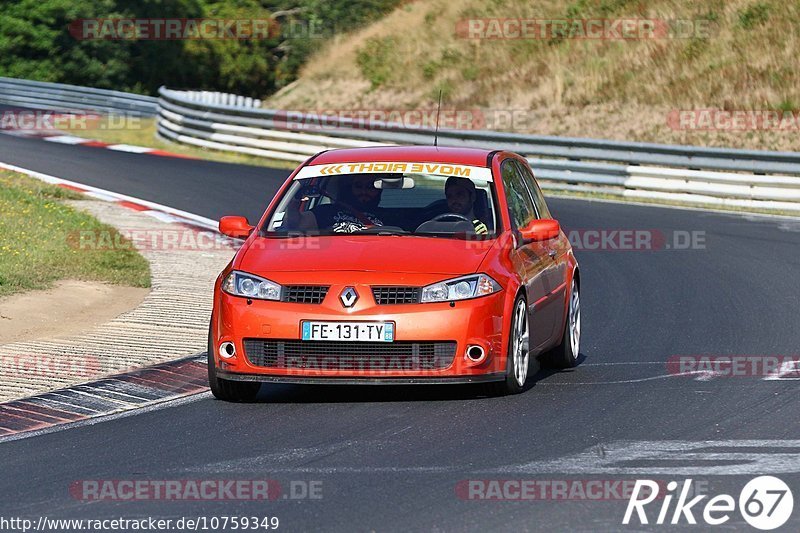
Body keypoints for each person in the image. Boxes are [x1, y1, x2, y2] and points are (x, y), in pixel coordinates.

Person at [306, 175, 386, 233]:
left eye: (370, 187)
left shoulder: (392, 216)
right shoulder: (325, 212)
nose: (363, 192)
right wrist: (296, 200)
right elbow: (296, 223)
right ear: (350, 188)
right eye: (358, 186)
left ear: (380, 191)